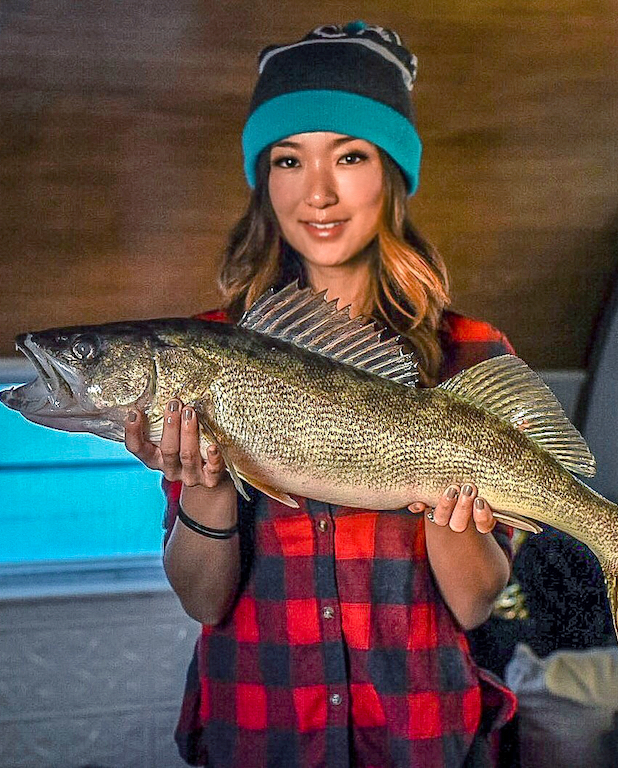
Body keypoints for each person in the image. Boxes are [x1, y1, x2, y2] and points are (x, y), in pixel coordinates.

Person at [124, 21, 520, 767]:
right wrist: (205, 489)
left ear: (390, 172)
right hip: (260, 729)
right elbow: (205, 603)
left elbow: (472, 605)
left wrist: (447, 500)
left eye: (350, 155)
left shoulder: (473, 353)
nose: (319, 192)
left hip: (422, 738)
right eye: (287, 159)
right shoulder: (202, 350)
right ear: (263, 180)